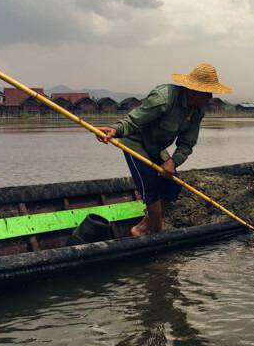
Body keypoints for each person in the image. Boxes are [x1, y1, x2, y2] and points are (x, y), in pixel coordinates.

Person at [95, 63, 233, 236]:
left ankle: (143, 227)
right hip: (135, 143)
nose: (210, 97)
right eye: (207, 94)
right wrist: (115, 130)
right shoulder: (164, 98)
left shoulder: (197, 111)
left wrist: (173, 161)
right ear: (194, 92)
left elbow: (187, 143)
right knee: (150, 187)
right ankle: (158, 233)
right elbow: (134, 121)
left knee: (172, 186)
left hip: (156, 148)